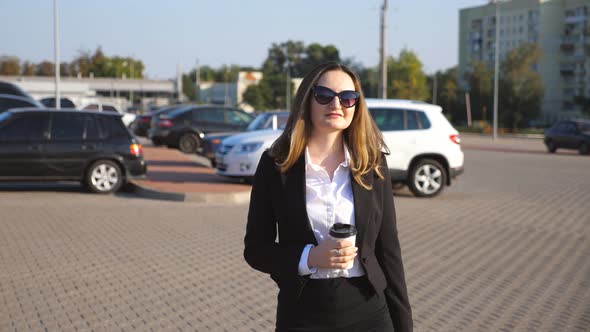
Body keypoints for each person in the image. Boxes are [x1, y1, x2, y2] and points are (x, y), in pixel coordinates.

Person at [244, 62, 412, 332]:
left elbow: (389, 251)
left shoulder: (372, 163)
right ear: (307, 100)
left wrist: (404, 325)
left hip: (369, 310)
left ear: (356, 106)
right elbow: (256, 250)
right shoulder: (277, 164)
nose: (337, 104)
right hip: (302, 313)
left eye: (347, 98)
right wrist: (309, 257)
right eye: (324, 95)